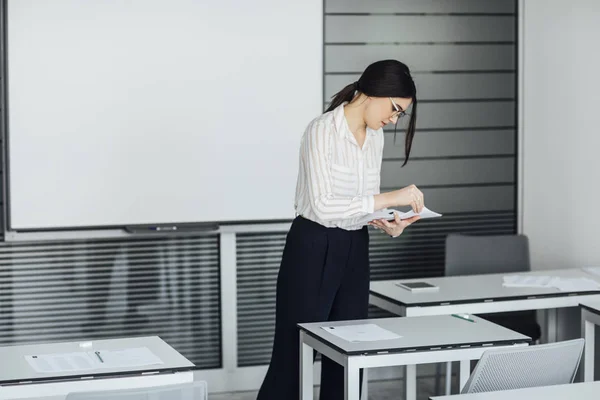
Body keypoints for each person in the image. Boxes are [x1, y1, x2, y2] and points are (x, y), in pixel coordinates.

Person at [257, 59, 423, 400]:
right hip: (312, 245)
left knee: (350, 352)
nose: (392, 120)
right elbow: (322, 205)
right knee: (294, 356)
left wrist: (387, 222)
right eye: (394, 109)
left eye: (399, 115)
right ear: (373, 91)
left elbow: (361, 203)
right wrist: (391, 197)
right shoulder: (321, 131)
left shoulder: (373, 139)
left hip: (354, 247)